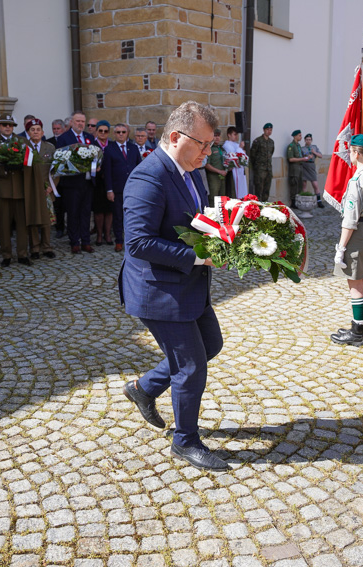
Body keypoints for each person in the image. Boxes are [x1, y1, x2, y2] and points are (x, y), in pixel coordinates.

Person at [119, 101, 227, 471]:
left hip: (188, 285)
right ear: (177, 137)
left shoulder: (191, 169)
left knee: (211, 344)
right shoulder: (148, 176)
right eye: (204, 144)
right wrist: (200, 257)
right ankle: (185, 441)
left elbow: (195, 218)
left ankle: (144, 388)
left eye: (212, 145)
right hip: (158, 290)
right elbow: (137, 242)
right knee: (191, 367)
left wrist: (227, 231)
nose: (208, 153)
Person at [330, 135, 363, 346]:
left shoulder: (359, 180)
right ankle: (361, 327)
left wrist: (341, 248)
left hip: (358, 232)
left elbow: (350, 220)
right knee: (362, 283)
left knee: (355, 284)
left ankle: (357, 332)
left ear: (356, 153)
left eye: (351, 151)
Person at [0, 114, 30, 266]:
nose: (7, 127)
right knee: (3, 225)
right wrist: (4, 169)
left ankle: (23, 254)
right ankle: (6, 255)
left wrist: (21, 167)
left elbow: (30, 162)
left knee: (22, 225)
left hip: (19, 189)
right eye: (4, 125)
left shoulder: (21, 141)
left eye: (10, 125)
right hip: (1, 189)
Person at [55, 111, 95, 253]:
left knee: (86, 213)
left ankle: (86, 241)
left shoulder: (90, 138)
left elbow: (96, 155)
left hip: (88, 182)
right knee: (73, 213)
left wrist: (97, 164)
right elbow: (60, 159)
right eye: (78, 121)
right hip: (72, 183)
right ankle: (74, 242)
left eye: (83, 121)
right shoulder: (64, 138)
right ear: (72, 122)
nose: (80, 124)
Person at [104, 123, 141, 253]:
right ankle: (119, 241)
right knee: (118, 217)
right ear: (114, 134)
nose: (121, 134)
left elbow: (139, 168)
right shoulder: (109, 149)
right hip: (117, 189)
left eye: (123, 132)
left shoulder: (133, 148)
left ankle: (132, 241)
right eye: (118, 132)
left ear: (127, 134)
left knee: (133, 217)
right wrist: (109, 190)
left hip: (133, 189)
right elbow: (107, 172)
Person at [22, 118, 56, 260]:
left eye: (38, 130)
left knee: (47, 219)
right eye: (32, 130)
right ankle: (34, 248)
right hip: (31, 189)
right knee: (33, 217)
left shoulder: (50, 148)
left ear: (42, 132)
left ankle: (47, 246)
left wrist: (51, 187)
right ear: (28, 132)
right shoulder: (24, 147)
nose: (35, 132)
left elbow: (56, 169)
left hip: (47, 189)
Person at [92, 120, 113, 246]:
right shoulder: (92, 146)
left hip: (110, 182)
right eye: (101, 131)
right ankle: (99, 235)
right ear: (97, 131)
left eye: (106, 131)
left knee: (109, 210)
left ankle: (108, 234)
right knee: (99, 210)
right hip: (97, 182)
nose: (103, 133)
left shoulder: (111, 145)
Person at [250, 122, 275, 202]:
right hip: (260, 169)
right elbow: (252, 154)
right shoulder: (258, 141)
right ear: (264, 130)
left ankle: (265, 204)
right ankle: (258, 206)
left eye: (270, 130)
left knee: (267, 189)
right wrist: (256, 166)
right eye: (267, 129)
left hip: (268, 169)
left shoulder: (271, 142)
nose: (269, 131)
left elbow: (271, 153)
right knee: (259, 189)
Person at [300, 133, 324, 208]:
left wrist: (314, 152)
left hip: (311, 165)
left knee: (315, 184)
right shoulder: (302, 148)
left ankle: (319, 201)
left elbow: (320, 156)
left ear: (311, 140)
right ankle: (303, 200)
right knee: (304, 184)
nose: (308, 141)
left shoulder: (314, 147)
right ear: (304, 140)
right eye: (307, 140)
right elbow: (300, 157)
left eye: (309, 140)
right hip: (304, 165)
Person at [203, 129, 227, 201]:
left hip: (222, 177)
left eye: (218, 136)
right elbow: (206, 164)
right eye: (215, 136)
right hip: (213, 177)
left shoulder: (221, 148)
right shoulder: (210, 148)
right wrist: (219, 171)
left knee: (222, 199)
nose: (217, 138)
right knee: (213, 198)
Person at [222, 127, 247, 199]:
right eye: (234, 134)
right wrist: (240, 148)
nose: (236, 136)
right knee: (234, 191)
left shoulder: (236, 144)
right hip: (232, 171)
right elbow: (234, 156)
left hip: (240, 170)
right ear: (229, 135)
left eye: (237, 135)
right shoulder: (227, 145)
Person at [286, 130, 308, 208]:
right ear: (295, 136)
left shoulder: (298, 146)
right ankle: (293, 202)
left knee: (299, 185)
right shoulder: (291, 146)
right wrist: (302, 159)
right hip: (294, 168)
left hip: (300, 167)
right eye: (299, 135)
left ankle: (298, 201)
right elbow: (291, 159)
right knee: (294, 185)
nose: (301, 137)